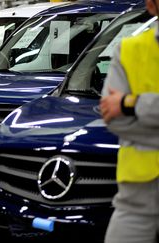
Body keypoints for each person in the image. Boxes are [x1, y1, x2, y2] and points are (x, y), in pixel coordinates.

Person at [100, 0, 159, 242]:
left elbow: (123, 114)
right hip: (136, 201)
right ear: (151, 5)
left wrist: (130, 104)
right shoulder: (129, 50)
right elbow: (114, 121)